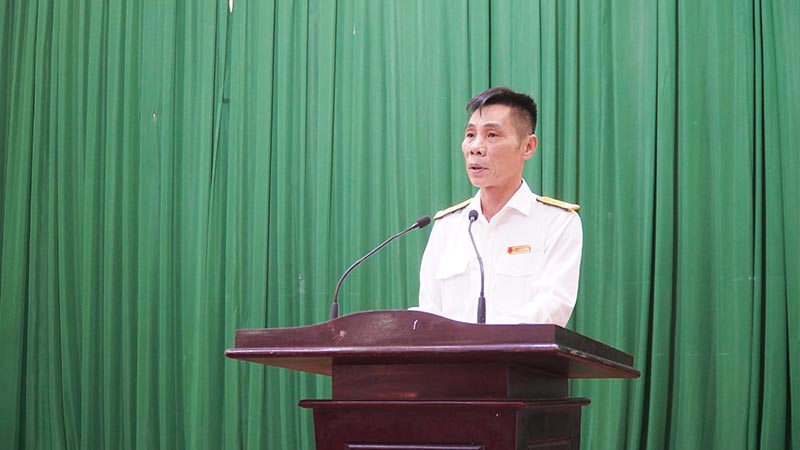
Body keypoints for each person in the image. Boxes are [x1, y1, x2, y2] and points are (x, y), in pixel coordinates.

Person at [417, 87, 583, 326]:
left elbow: (552, 308)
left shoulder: (557, 222)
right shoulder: (448, 226)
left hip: (521, 352)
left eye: (492, 135)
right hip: (451, 352)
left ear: (528, 146)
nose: (476, 147)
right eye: (470, 135)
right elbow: (429, 313)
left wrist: (482, 338)